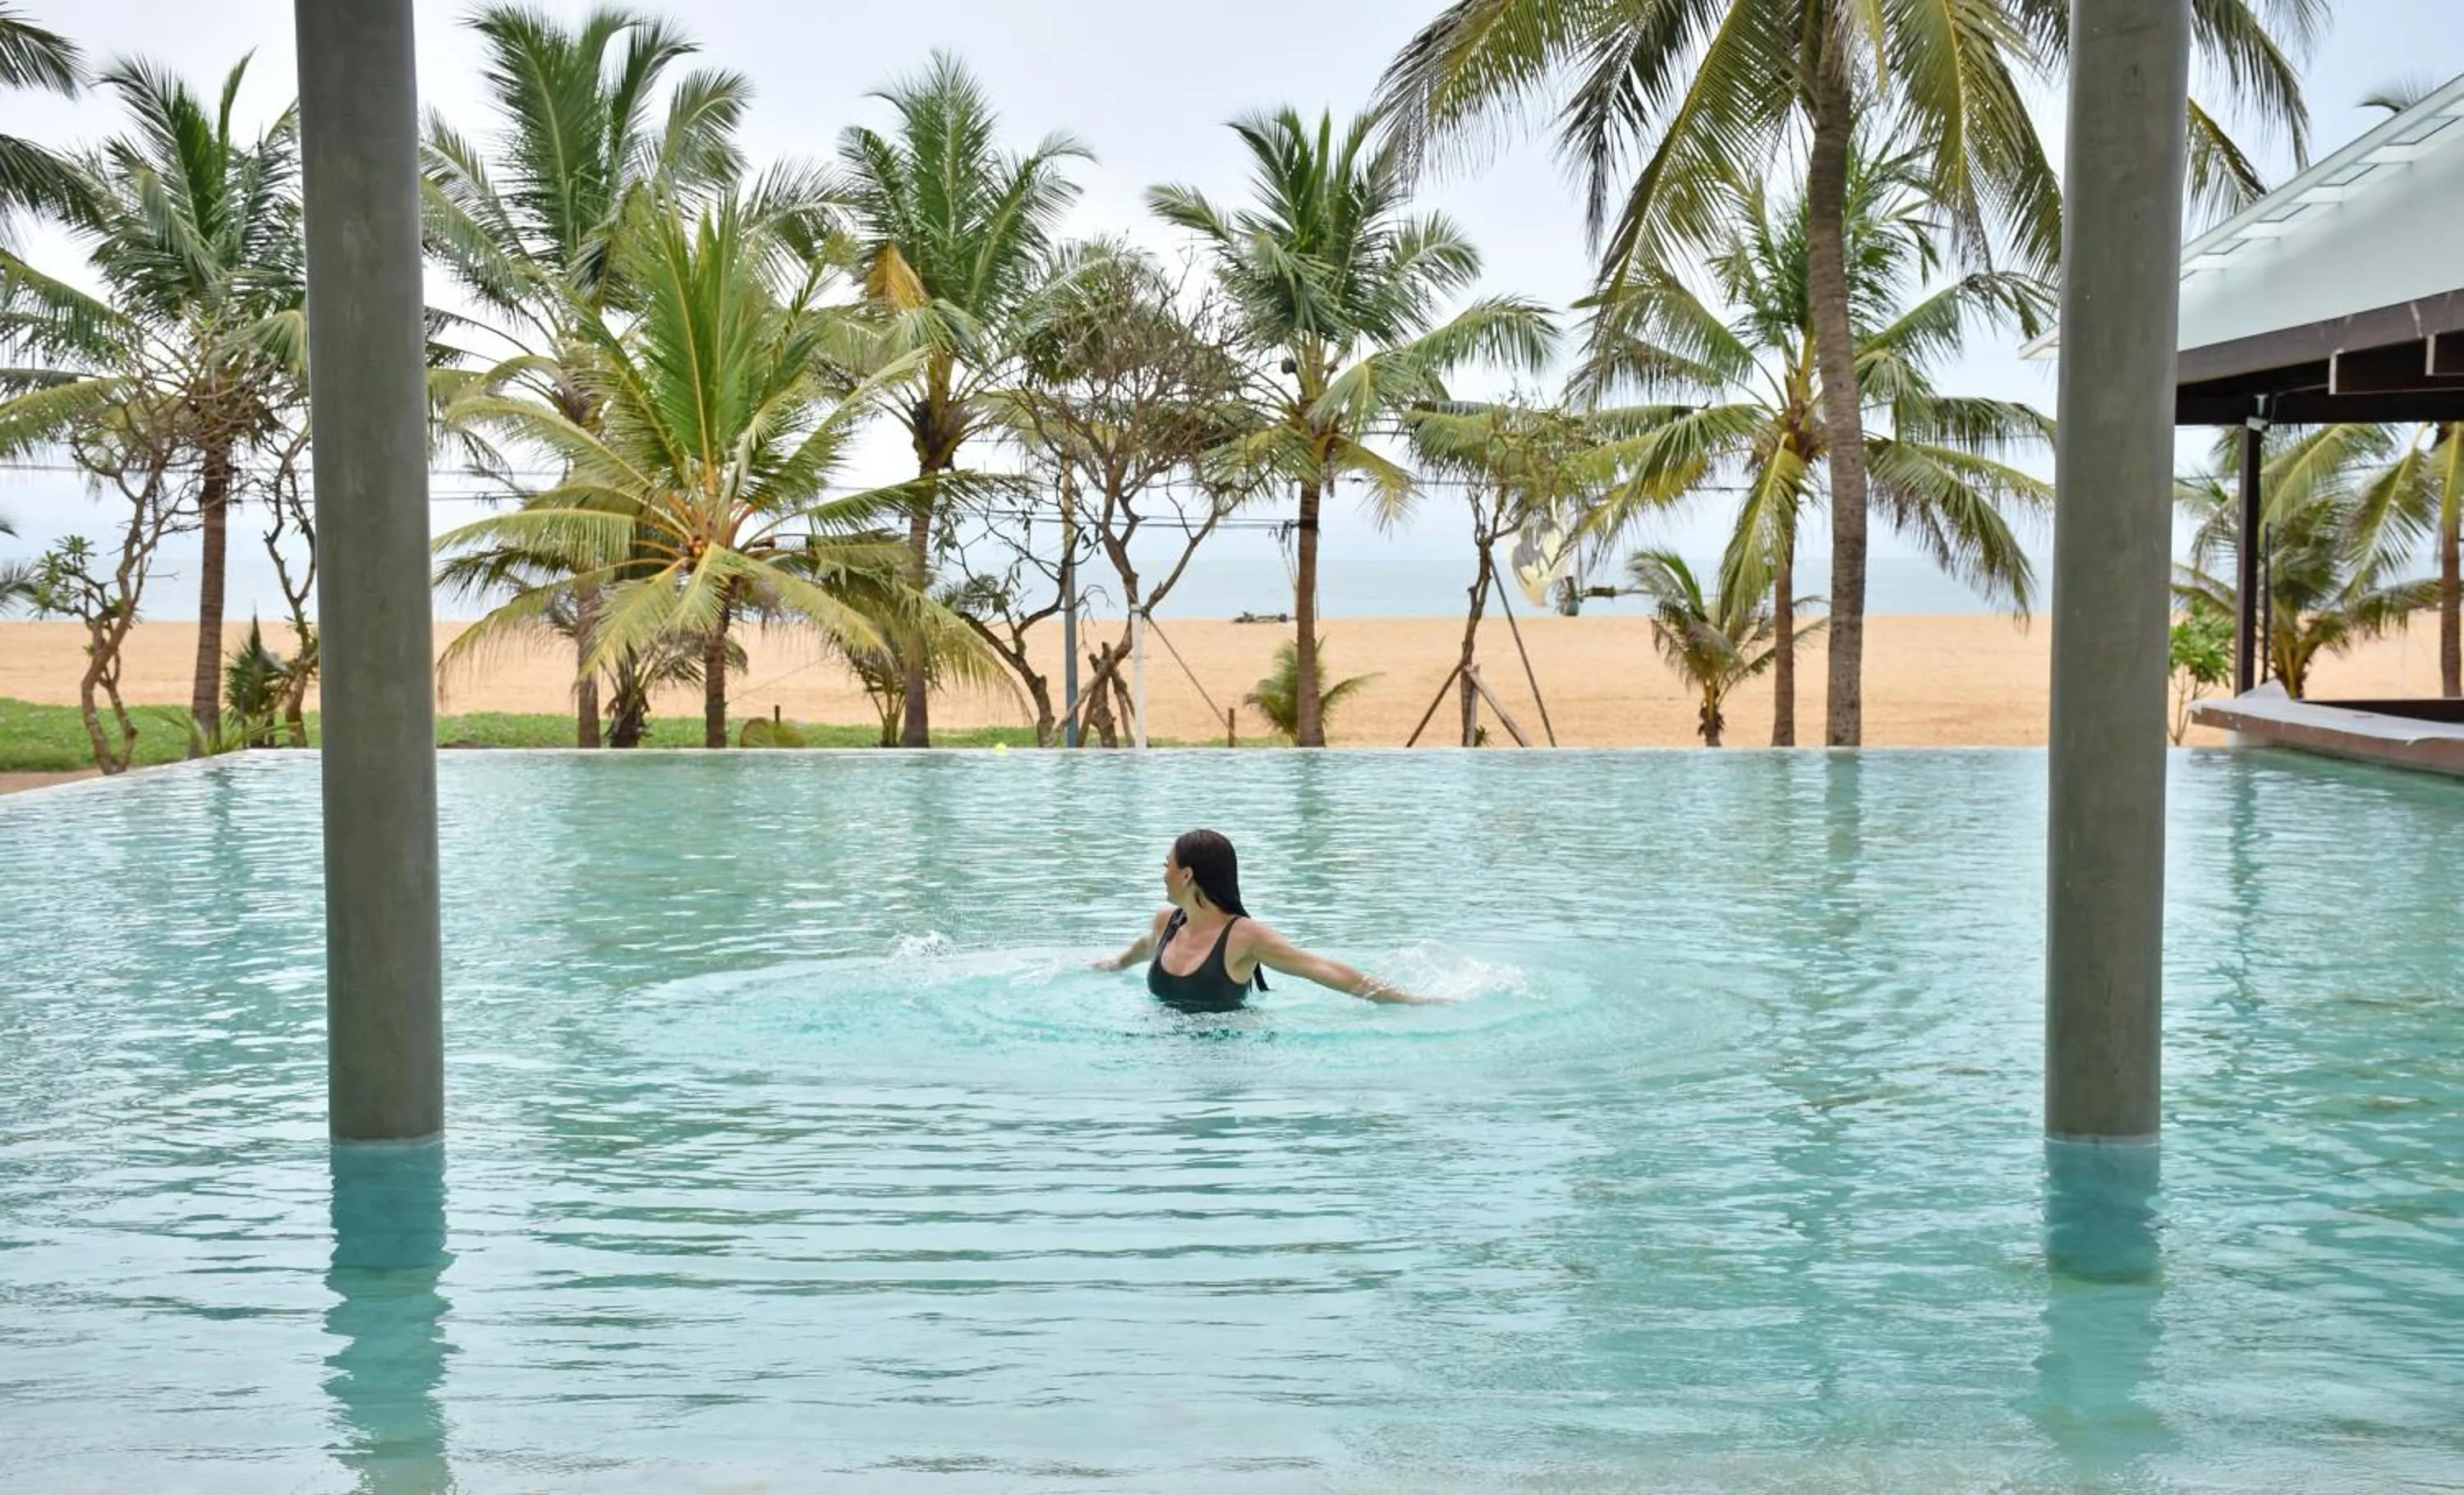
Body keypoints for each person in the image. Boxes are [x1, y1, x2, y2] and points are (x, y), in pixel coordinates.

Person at [1092, 829, 1435, 1011]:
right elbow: (1142, 950)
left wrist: (1407, 1001)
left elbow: (1320, 968)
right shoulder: (1165, 923)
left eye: (1166, 864)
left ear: (1186, 875)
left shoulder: (1244, 937)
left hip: (1227, 1063)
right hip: (1165, 1060)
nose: (1162, 873)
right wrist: (1111, 965)